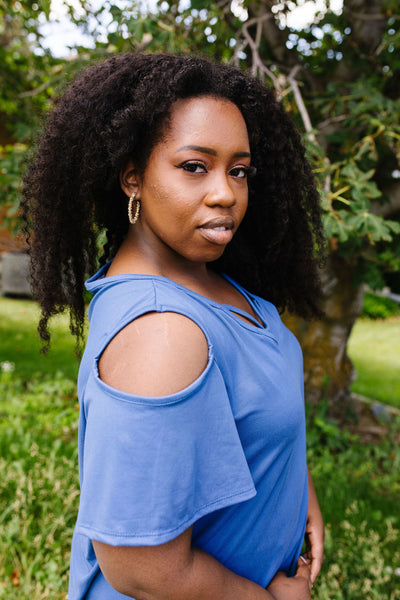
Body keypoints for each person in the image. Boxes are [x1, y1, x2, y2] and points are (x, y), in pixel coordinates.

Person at [22, 53, 325, 600]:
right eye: (194, 166)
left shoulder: (203, 279)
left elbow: (254, 419)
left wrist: (294, 486)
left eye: (239, 169)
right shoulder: (162, 334)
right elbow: (141, 570)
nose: (226, 194)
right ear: (132, 177)